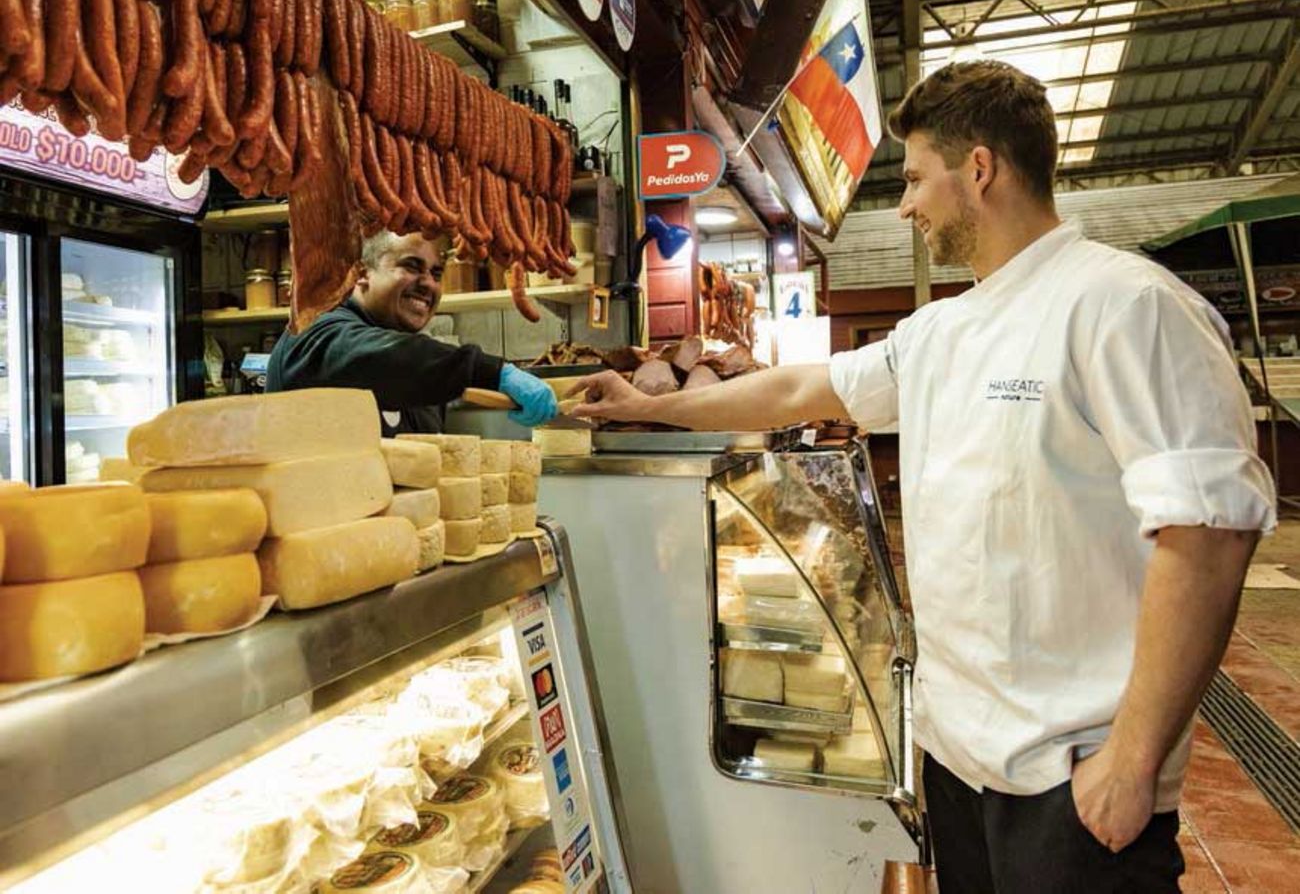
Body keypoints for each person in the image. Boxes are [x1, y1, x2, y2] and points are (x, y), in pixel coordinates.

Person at [571, 61, 1276, 893]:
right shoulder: (942, 329)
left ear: (978, 170)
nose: (903, 205)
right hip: (955, 758)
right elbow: (803, 387)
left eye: (912, 179)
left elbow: (1209, 535)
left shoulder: (1125, 305)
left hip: (1070, 777)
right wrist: (647, 410)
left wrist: (1132, 758)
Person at [267, 230, 557, 433]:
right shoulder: (314, 332)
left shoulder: (418, 367)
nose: (428, 284)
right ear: (360, 274)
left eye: (436, 273)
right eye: (411, 266)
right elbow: (380, 357)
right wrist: (491, 372)